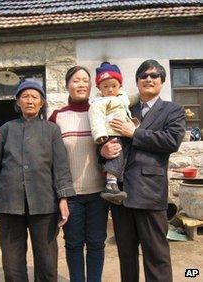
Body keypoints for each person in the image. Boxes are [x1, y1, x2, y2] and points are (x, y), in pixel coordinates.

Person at [100, 59, 186, 282]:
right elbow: (109, 137)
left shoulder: (172, 110)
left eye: (155, 75)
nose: (149, 79)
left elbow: (171, 141)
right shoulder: (124, 108)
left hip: (150, 193)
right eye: (144, 76)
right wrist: (104, 151)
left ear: (162, 82)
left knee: (156, 255)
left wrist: (134, 133)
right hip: (121, 195)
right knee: (126, 256)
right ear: (137, 82)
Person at [0, 80, 75, 282]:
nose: (30, 101)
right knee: (12, 264)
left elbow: (60, 166)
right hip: (9, 204)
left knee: (47, 263)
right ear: (18, 102)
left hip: (44, 203)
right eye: (25, 97)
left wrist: (63, 197)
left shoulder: (52, 130)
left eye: (35, 97)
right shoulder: (7, 129)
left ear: (42, 102)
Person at [49, 66, 108, 282]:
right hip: (70, 195)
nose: (81, 84)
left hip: (99, 194)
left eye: (85, 80)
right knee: (73, 245)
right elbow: (49, 156)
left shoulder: (100, 112)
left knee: (96, 244)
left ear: (91, 86)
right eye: (76, 80)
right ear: (67, 85)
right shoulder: (58, 116)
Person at [88, 62, 139, 203]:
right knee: (115, 155)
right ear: (98, 87)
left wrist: (141, 94)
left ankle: (116, 184)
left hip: (124, 133)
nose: (110, 89)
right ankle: (110, 183)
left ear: (120, 86)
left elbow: (134, 98)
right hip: (111, 133)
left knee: (122, 157)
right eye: (105, 86)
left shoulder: (122, 97)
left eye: (114, 86)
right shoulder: (99, 102)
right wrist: (100, 135)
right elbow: (96, 118)